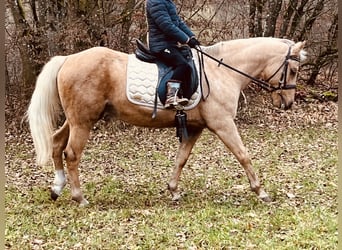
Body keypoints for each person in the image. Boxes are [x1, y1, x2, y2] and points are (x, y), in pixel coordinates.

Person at [146, 0, 200, 109]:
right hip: (160, 46)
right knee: (182, 64)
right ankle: (170, 96)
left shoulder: (167, 2)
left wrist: (192, 37)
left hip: (170, 45)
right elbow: (167, 26)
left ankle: (182, 94)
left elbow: (178, 23)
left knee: (188, 62)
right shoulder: (155, 2)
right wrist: (187, 40)